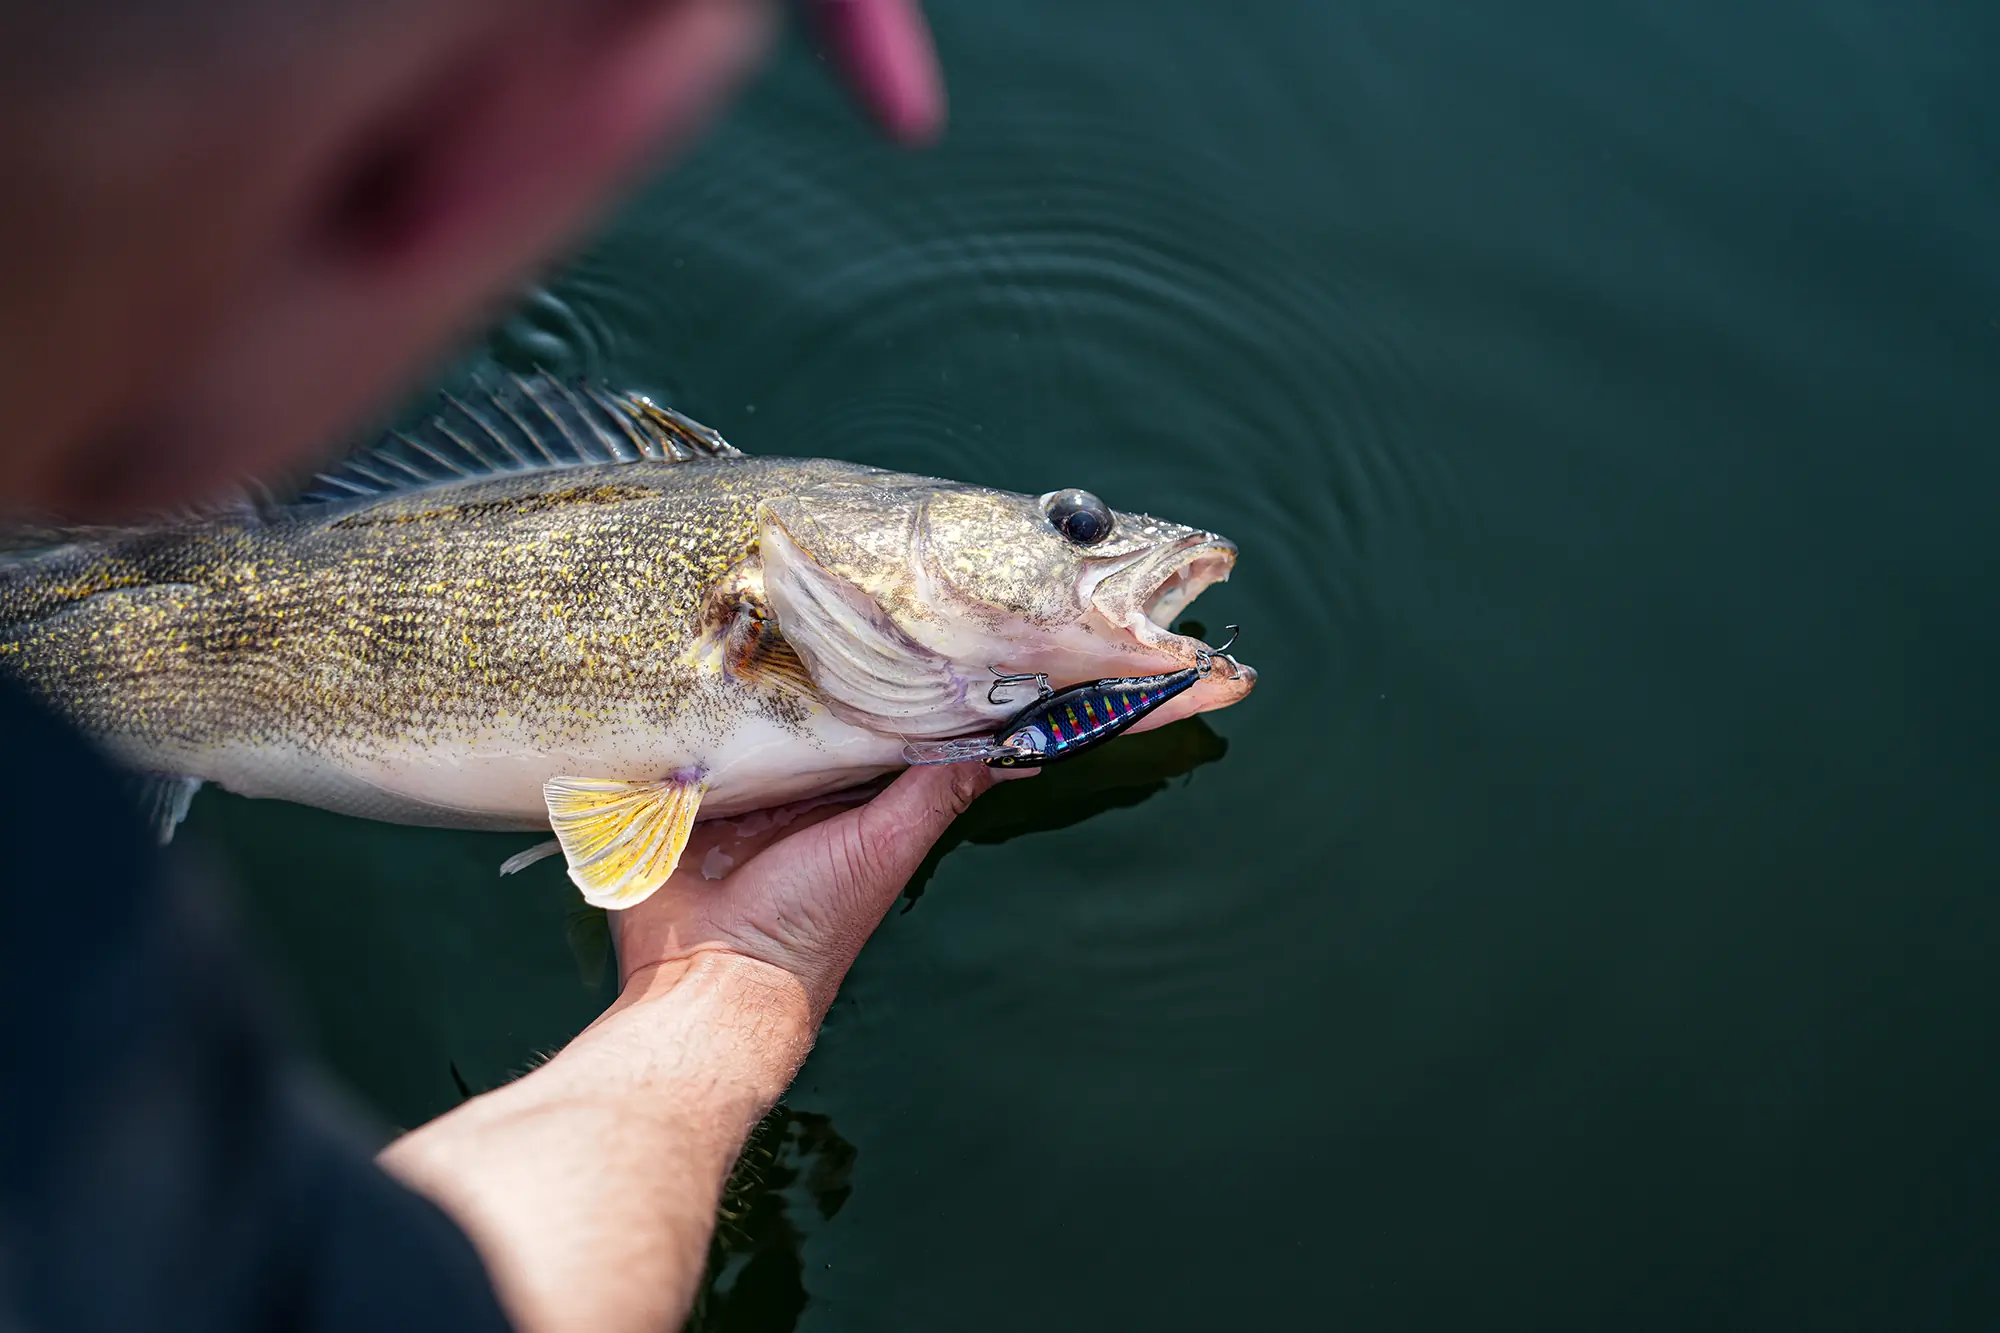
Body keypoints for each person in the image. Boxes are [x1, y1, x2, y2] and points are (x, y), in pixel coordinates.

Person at [0, 2, 998, 1330]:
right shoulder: (78, 1092)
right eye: (1076, 526)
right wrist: (730, 989)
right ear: (473, 149)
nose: (1093, 549)